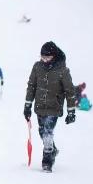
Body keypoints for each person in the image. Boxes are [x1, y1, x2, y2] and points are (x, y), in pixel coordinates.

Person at [24, 42, 78, 173]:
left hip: (54, 107)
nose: (44, 60)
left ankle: (47, 161)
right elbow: (31, 86)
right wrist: (27, 105)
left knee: (48, 132)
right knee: (42, 132)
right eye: (42, 57)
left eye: (47, 58)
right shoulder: (37, 67)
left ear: (54, 56)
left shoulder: (62, 70)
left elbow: (70, 91)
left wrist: (71, 112)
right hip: (40, 106)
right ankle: (52, 149)